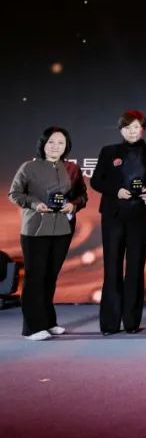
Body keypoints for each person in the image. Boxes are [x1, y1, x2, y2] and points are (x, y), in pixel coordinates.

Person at [8, 127, 87, 340]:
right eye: (51, 142)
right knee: (35, 277)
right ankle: (32, 328)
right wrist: (35, 204)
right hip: (35, 229)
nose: (55, 147)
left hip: (62, 229)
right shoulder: (29, 167)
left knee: (50, 277)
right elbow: (14, 193)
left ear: (66, 146)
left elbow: (82, 195)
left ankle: (48, 322)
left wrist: (73, 205)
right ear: (43, 144)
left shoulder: (72, 168)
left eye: (60, 143)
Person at [90, 110, 146, 335]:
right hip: (113, 216)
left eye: (137, 127)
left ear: (143, 129)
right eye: (128, 127)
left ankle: (132, 321)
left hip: (140, 216)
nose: (132, 131)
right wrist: (116, 191)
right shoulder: (109, 151)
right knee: (112, 267)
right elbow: (96, 181)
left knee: (135, 268)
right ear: (121, 130)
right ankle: (110, 323)